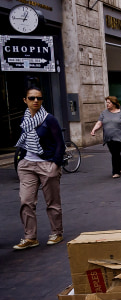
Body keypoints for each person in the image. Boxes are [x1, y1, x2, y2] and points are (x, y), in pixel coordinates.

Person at [14, 87, 65, 250]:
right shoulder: (25, 118)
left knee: (52, 202)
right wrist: (21, 161)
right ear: (25, 100)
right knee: (26, 201)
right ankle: (30, 237)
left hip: (47, 164)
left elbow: (60, 143)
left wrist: (55, 164)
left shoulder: (49, 119)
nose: (36, 101)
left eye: (39, 98)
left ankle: (56, 232)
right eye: (32, 98)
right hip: (27, 165)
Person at [90, 96, 121, 178]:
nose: (107, 104)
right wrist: (94, 130)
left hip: (119, 137)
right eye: (107, 103)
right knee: (115, 153)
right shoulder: (104, 113)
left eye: (109, 103)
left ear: (114, 103)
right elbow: (99, 123)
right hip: (108, 137)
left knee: (115, 153)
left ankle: (116, 172)